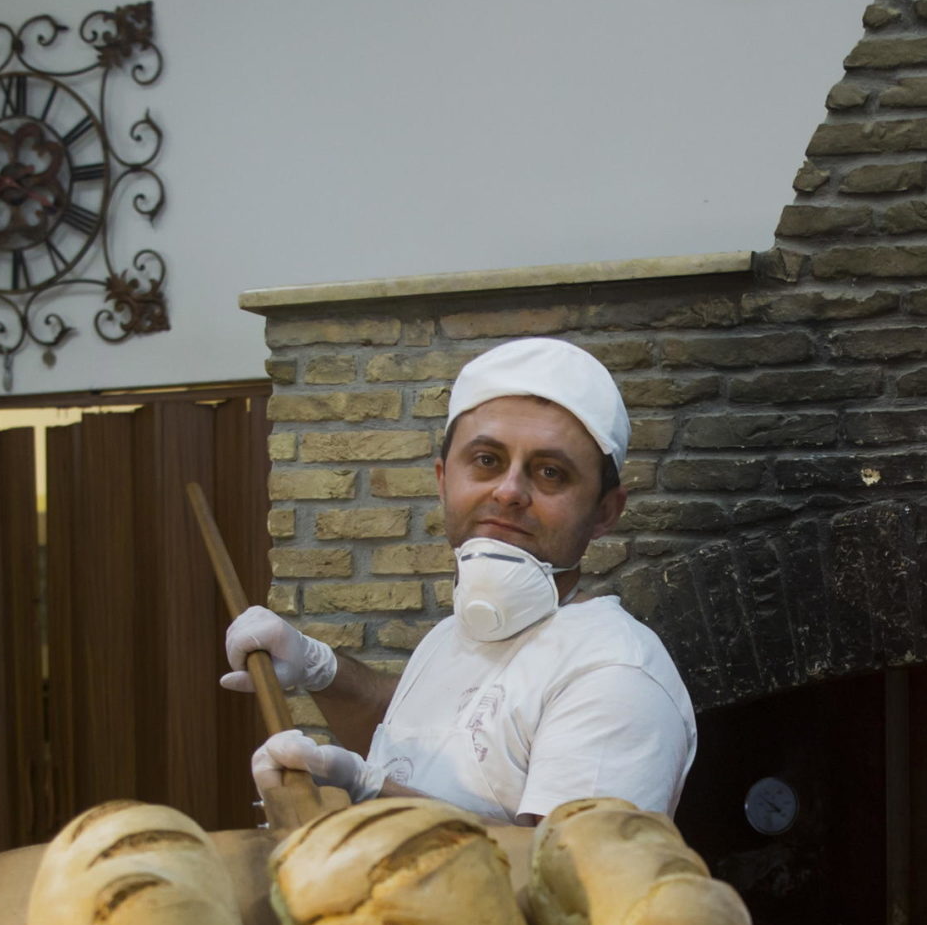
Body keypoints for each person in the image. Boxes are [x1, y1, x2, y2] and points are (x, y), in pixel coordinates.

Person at [225, 336, 695, 826]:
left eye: (550, 472)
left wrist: (369, 796)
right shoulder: (454, 635)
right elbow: (424, 742)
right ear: (442, 479)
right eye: (487, 460)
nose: (510, 490)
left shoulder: (614, 673)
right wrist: (319, 668)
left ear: (604, 512)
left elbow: (573, 876)